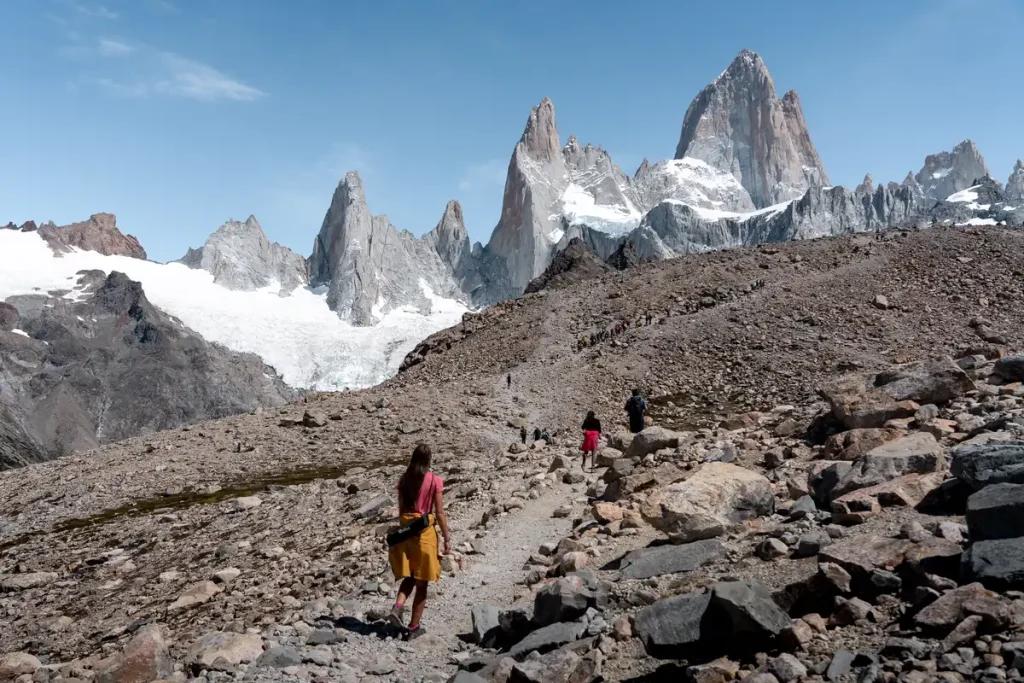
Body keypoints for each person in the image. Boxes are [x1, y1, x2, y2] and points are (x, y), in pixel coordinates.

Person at [388, 444, 450, 640]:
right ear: (428, 460)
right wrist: (447, 537)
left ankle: (398, 606)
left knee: (410, 576)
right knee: (422, 584)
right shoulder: (434, 481)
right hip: (424, 534)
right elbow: (439, 512)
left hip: (406, 534)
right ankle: (414, 628)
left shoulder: (404, 480)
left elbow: (400, 511)